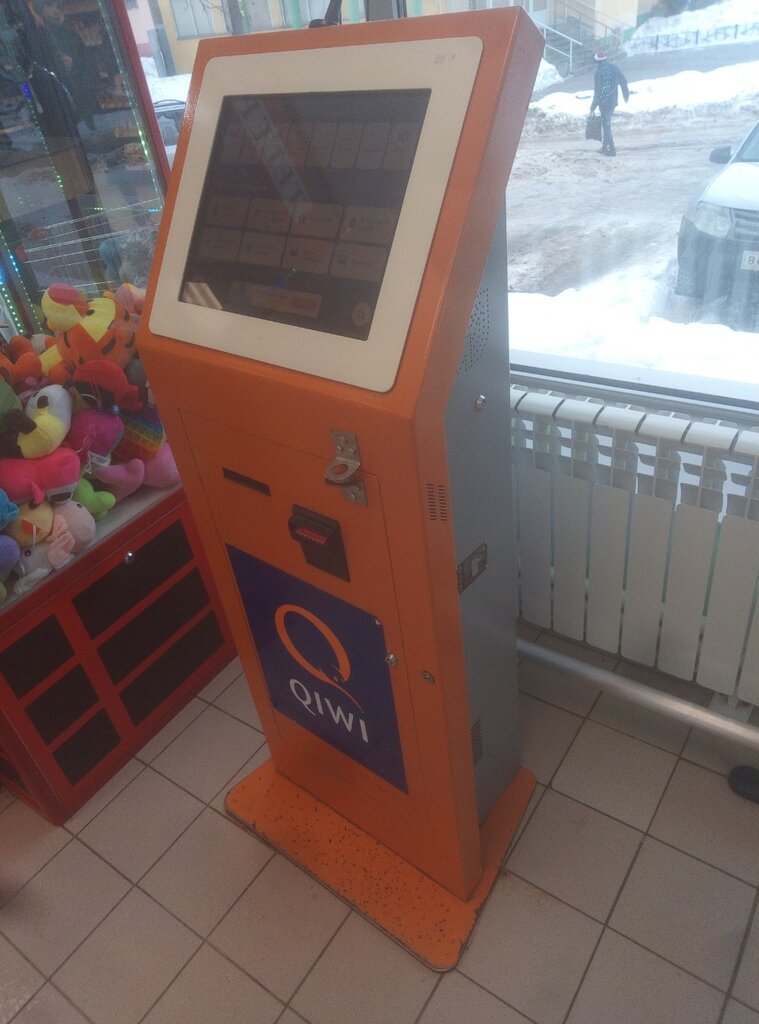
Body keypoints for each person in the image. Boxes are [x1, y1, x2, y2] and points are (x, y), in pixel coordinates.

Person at [589, 50, 629, 157]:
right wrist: (626, 94)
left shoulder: (598, 73)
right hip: (612, 101)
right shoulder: (614, 68)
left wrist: (593, 106)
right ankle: (605, 146)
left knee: (606, 125)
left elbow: (597, 91)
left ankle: (611, 149)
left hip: (603, 102)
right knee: (606, 123)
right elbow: (623, 81)